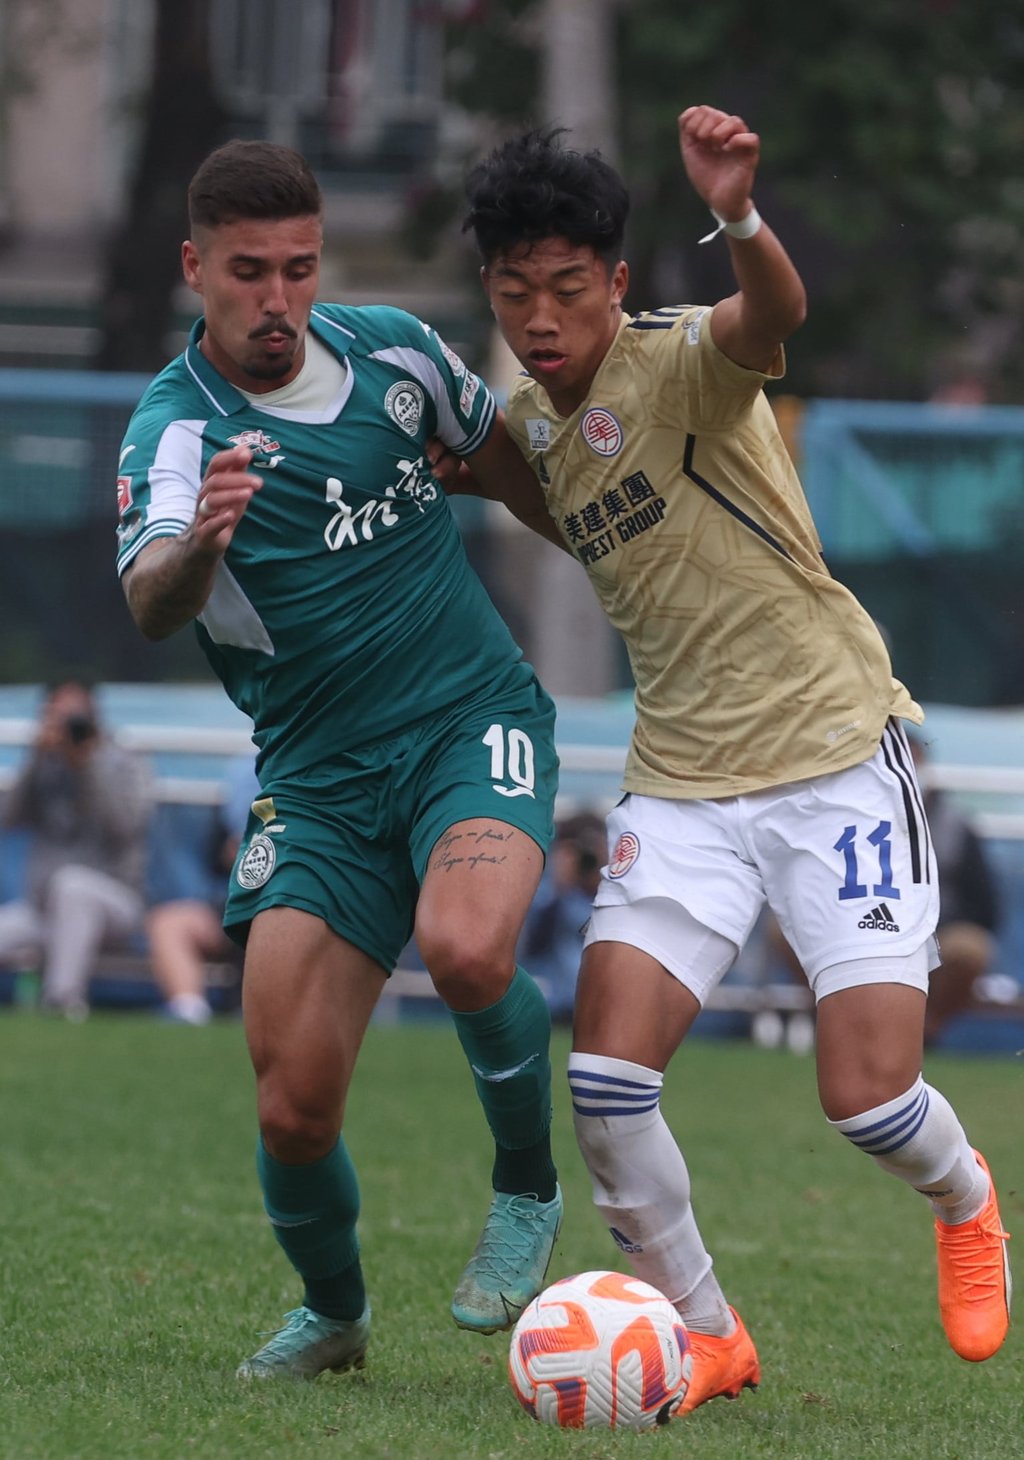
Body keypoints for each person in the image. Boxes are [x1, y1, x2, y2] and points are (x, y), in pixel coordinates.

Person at [452, 108, 1011, 1406]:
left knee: (868, 1100)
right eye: (515, 292)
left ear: (619, 286)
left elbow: (774, 318)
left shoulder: (686, 362)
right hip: (685, 785)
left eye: (568, 289)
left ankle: (972, 1202)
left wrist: (742, 217)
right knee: (604, 1080)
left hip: (833, 754)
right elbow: (527, 485)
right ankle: (709, 1333)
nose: (542, 315)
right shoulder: (532, 426)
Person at [115, 139, 566, 1381]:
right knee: (289, 1101)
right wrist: (202, 541)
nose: (277, 300)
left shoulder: (396, 352)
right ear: (196, 267)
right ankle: (334, 1313)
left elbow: (500, 460)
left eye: (299, 269)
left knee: (470, 946)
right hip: (316, 774)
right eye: (249, 272)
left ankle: (527, 1189)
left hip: (470, 716)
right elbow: (153, 600)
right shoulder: (173, 430)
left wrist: (597, 543)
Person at [0, 680, 152, 1018]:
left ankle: (62, 1001)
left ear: (95, 714)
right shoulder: (43, 762)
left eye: (75, 716)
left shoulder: (124, 761)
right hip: (41, 912)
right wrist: (34, 758)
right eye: (59, 715)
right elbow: (8, 819)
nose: (68, 725)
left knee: (71, 885)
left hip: (117, 905)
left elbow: (125, 827)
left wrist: (86, 764)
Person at [145, 754, 260, 1026]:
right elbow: (217, 859)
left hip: (291, 903)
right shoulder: (245, 775)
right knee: (168, 923)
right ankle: (189, 1009)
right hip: (237, 901)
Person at [908, 736, 1001, 1046]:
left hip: (938, 931)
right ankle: (838, 1024)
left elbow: (984, 904)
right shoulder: (855, 818)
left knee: (970, 947)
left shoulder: (956, 824)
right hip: (868, 926)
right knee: (788, 930)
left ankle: (924, 1031)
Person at [518, 810, 606, 1022]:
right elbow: (530, 947)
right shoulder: (548, 897)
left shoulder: (615, 899)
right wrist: (560, 888)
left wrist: (608, 880)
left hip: (602, 1010)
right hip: (554, 1008)